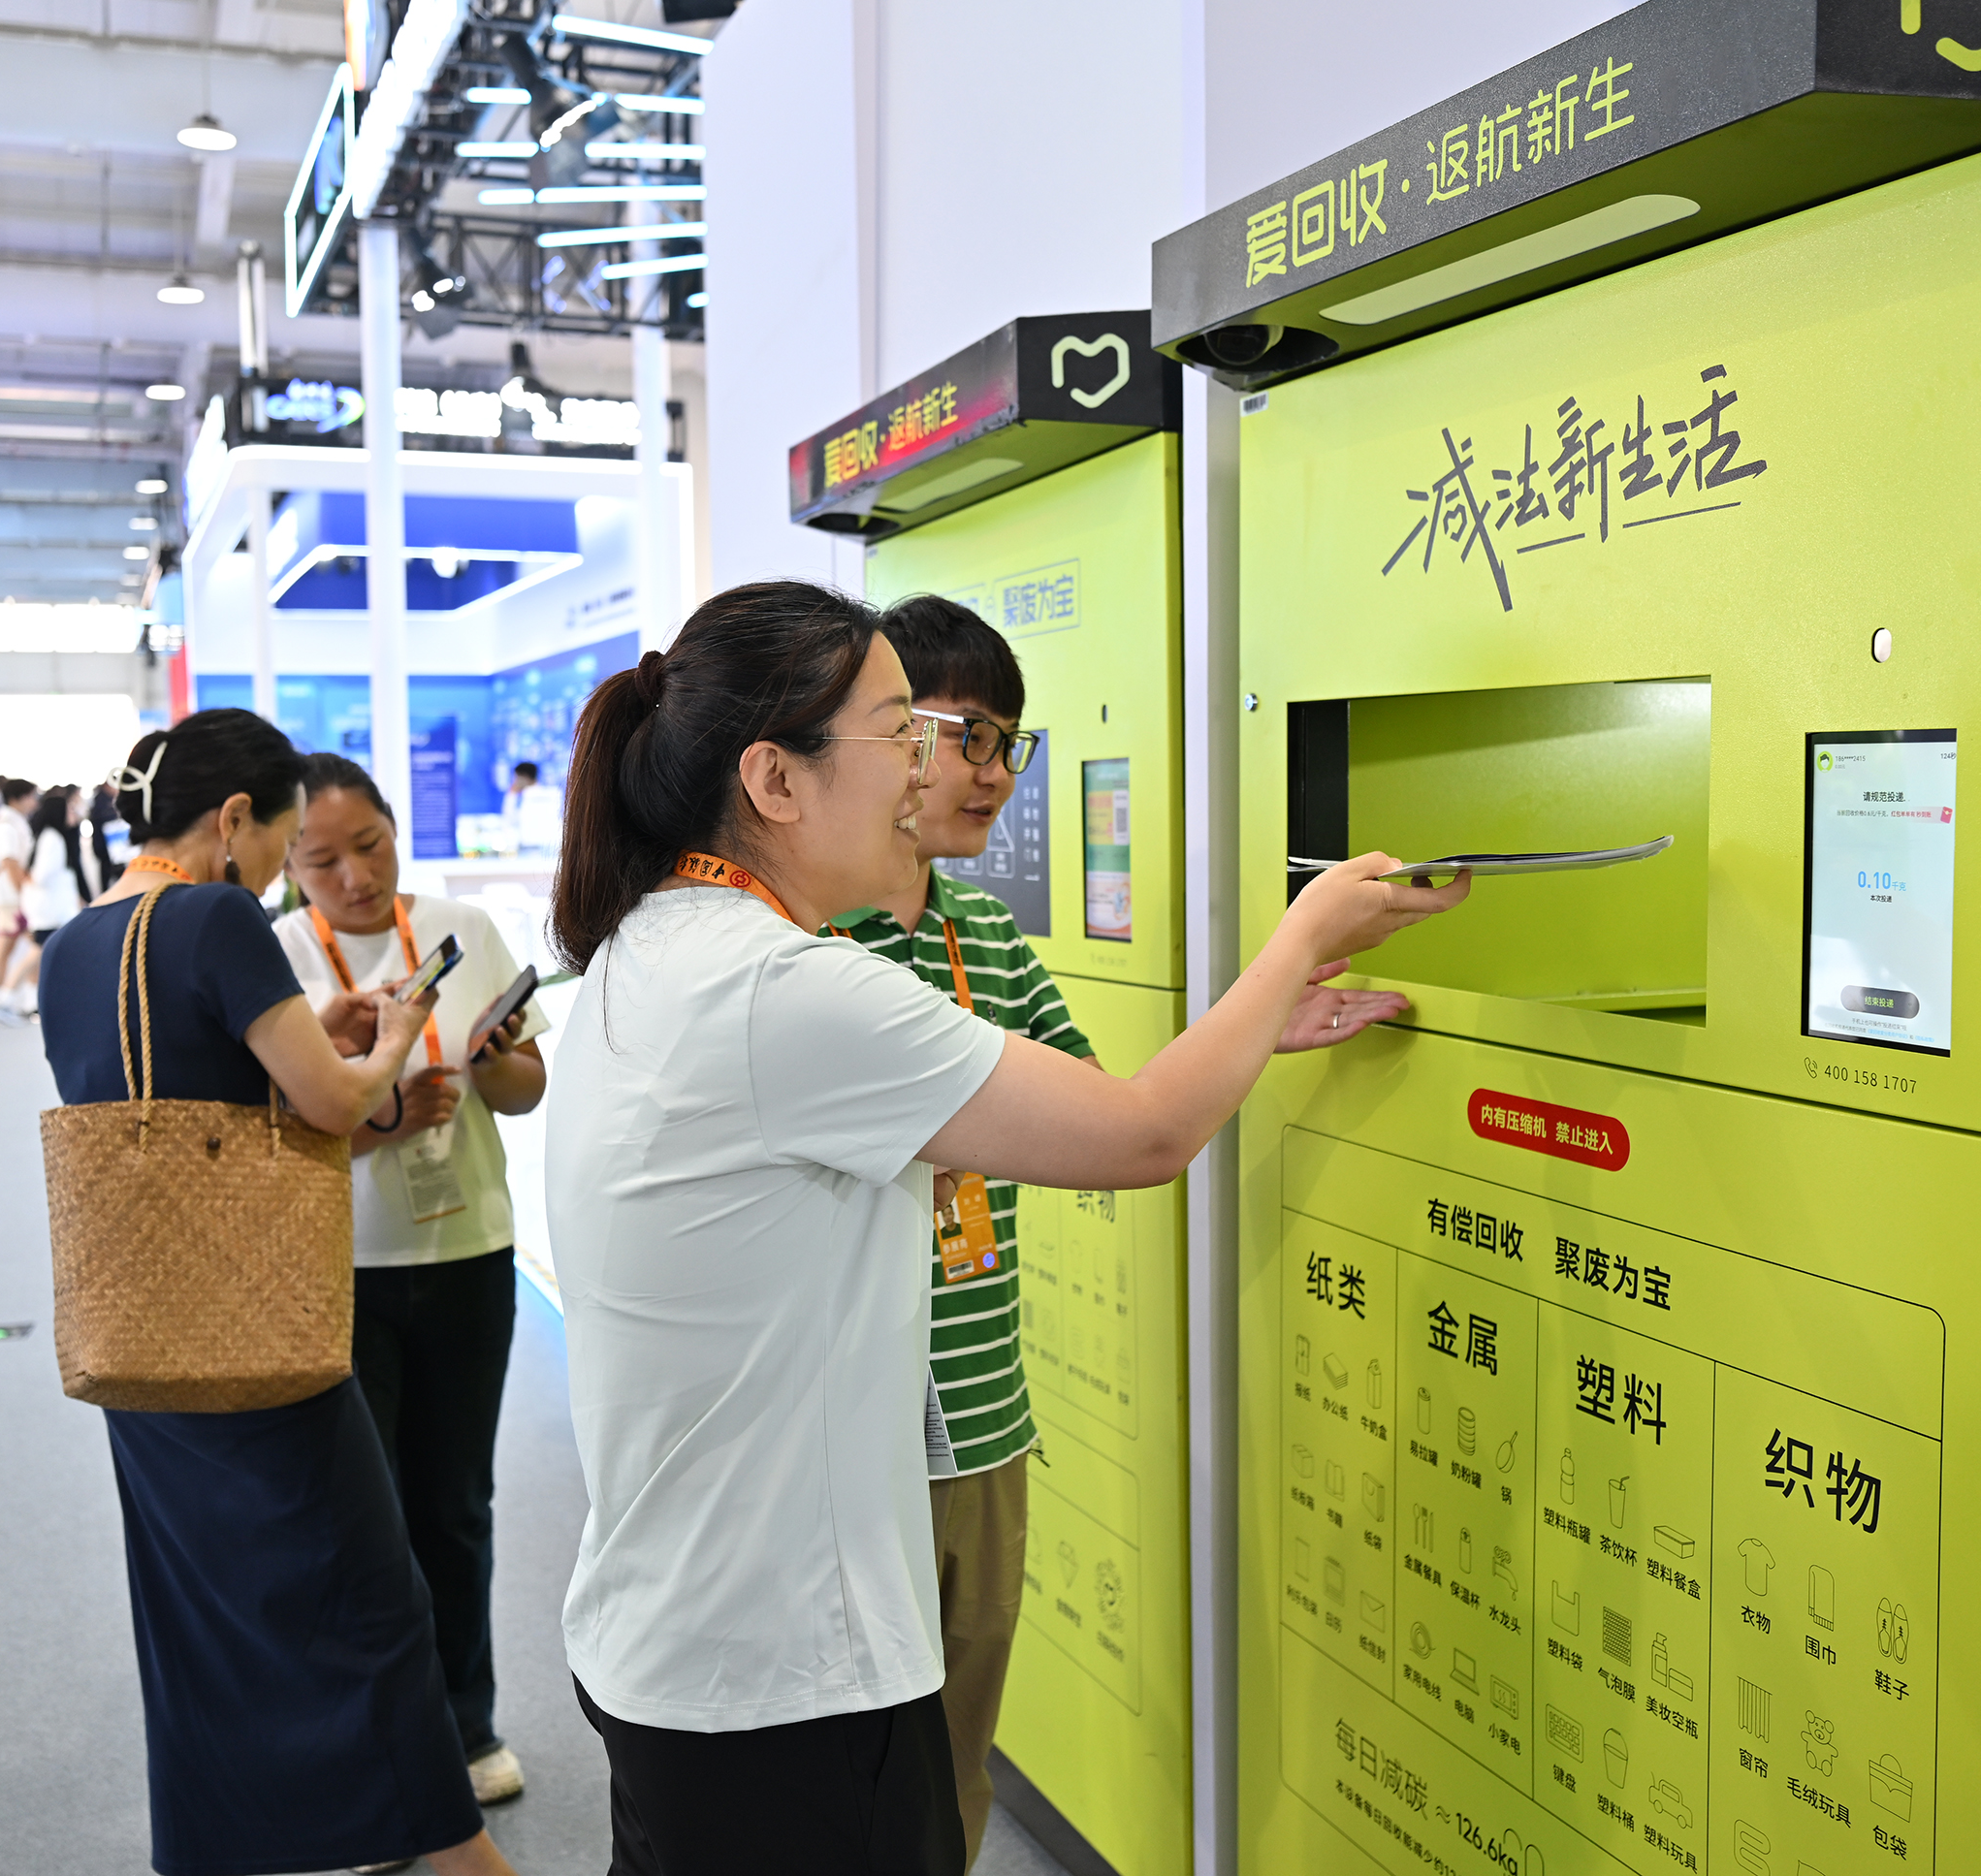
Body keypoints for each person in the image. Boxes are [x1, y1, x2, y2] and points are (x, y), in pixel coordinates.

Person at [543, 581, 1466, 1874]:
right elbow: (1141, 1134)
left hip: (681, 1640)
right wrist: (1305, 930)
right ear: (776, 780)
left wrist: (1257, 1020)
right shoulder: (782, 988)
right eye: (900, 732)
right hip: (783, 1674)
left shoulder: (658, 947)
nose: (934, 770)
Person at [833, 594, 1408, 1863]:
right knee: (849, 1768)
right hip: (847, 1439)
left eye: (1011, 743)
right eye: (972, 736)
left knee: (954, 1752)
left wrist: (1263, 1027)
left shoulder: (985, 933)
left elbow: (1108, 1112)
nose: (996, 773)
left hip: (983, 1419)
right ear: (884, 738)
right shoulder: (811, 952)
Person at [37, 708, 521, 1876]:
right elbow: (335, 1105)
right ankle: (455, 1849)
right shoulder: (213, 915)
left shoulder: (73, 941)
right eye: (283, 845)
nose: (278, 877)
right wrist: (394, 1032)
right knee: (372, 1589)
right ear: (235, 817)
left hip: (138, 1324)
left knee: (200, 1610)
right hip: (255, 1320)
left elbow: (180, 1093)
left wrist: (315, 1034)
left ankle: (222, 1840)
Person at [273, 754, 548, 1809]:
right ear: (288, 866)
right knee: (362, 1513)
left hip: (469, 1250)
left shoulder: (462, 928)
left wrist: (496, 1060)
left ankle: (467, 1721)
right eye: (321, 860)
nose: (353, 877)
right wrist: (379, 1121)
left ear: (396, 829)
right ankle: (380, 1737)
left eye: (370, 845)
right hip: (341, 1265)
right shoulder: (278, 956)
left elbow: (523, 1091)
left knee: (457, 1501)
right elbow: (268, 1138)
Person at [0, 786, 96, 1020]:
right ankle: (5, 999)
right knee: (36, 953)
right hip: (49, 910)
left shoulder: (51, 836)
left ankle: (30, 1002)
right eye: (69, 810)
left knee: (40, 956)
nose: (73, 814)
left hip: (51, 908)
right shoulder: (53, 839)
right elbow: (41, 876)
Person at [0, 778, 38, 1025]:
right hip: (12, 897)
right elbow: (10, 862)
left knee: (21, 946)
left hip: (11, 895)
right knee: (24, 946)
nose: (34, 802)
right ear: (17, 798)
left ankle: (26, 1000)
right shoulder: (5, 826)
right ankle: (0, 999)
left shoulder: (13, 822)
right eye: (31, 796)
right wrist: (25, 893)